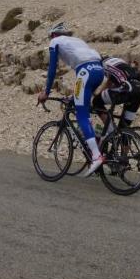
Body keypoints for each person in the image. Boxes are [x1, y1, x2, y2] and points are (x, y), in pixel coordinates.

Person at [37, 22, 105, 177]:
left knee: (82, 115)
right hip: (99, 70)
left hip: (85, 72)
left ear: (53, 34)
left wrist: (46, 92)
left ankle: (96, 155)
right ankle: (105, 138)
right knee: (82, 102)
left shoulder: (55, 41)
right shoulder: (78, 41)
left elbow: (52, 69)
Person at [93, 56, 140, 136]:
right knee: (124, 130)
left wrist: (97, 95)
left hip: (128, 90)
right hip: (139, 91)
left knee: (96, 101)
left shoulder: (103, 64)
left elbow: (109, 83)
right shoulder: (120, 61)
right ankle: (122, 138)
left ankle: (112, 133)